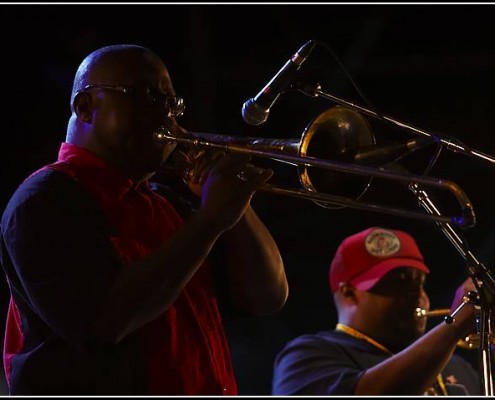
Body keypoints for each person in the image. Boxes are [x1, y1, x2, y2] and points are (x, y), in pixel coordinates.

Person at [0, 44, 289, 395]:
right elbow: (104, 321)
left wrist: (238, 208)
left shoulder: (166, 204)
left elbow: (266, 296)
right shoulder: (45, 199)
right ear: (85, 107)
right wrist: (212, 219)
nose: (167, 117)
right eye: (145, 97)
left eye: (172, 104)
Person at [272, 226, 481, 396]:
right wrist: (454, 327)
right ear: (349, 293)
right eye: (399, 283)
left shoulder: (458, 366)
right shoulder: (304, 358)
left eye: (420, 282)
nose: (417, 294)